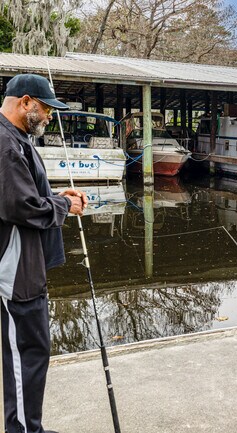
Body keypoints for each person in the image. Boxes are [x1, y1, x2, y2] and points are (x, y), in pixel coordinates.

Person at [0, 74, 88, 433]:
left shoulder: (17, 138)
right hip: (15, 272)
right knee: (27, 355)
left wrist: (57, 198)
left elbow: (29, 197)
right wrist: (65, 207)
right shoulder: (6, 145)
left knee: (33, 352)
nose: (50, 116)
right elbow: (22, 207)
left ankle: (28, 427)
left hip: (27, 267)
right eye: (47, 109)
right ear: (25, 103)